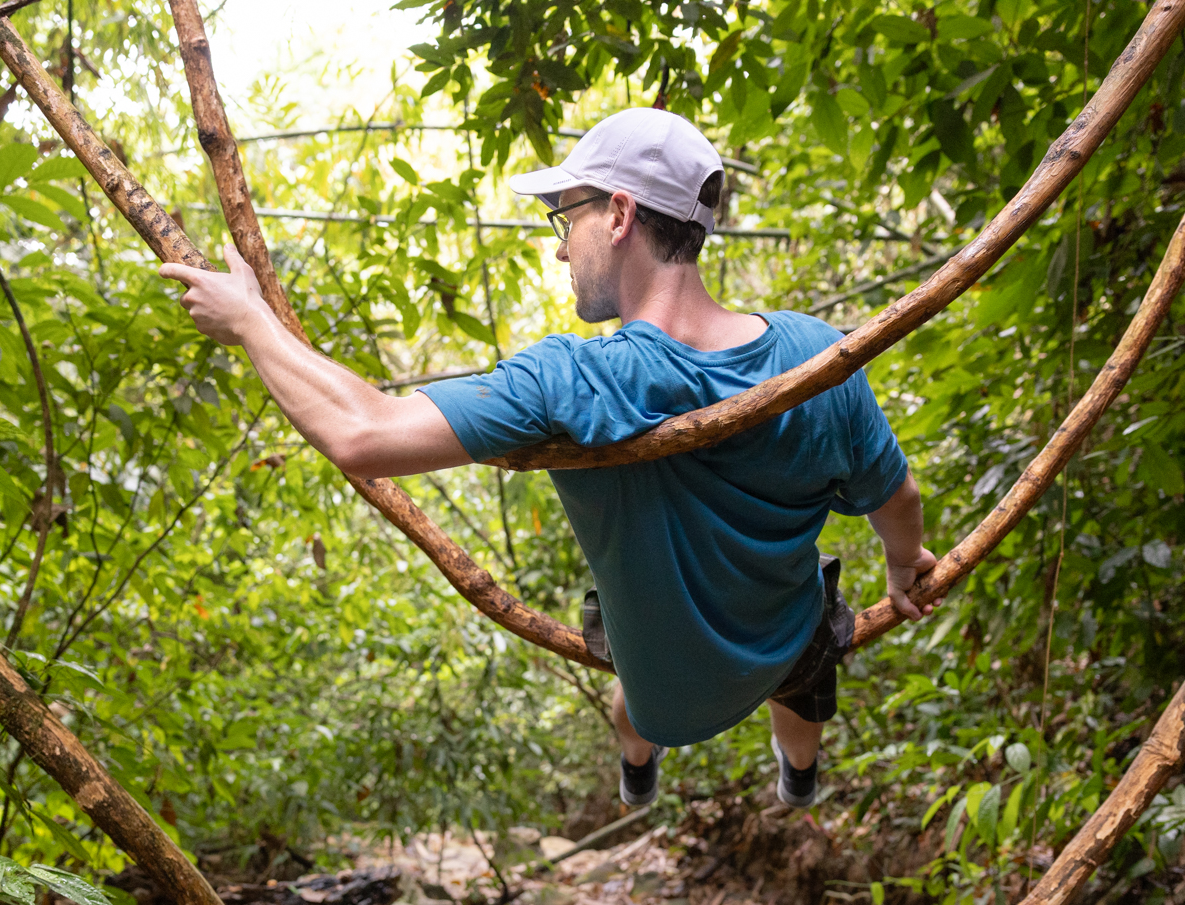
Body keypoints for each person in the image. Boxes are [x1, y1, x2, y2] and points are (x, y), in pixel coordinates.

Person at [159, 108, 936, 811]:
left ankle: (640, 763)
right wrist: (903, 568)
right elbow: (896, 500)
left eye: (566, 216)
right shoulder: (817, 353)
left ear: (622, 214)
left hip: (668, 686)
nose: (562, 243)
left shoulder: (577, 380)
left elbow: (363, 431)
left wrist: (251, 323)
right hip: (784, 637)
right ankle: (797, 777)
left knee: (633, 687)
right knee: (804, 679)